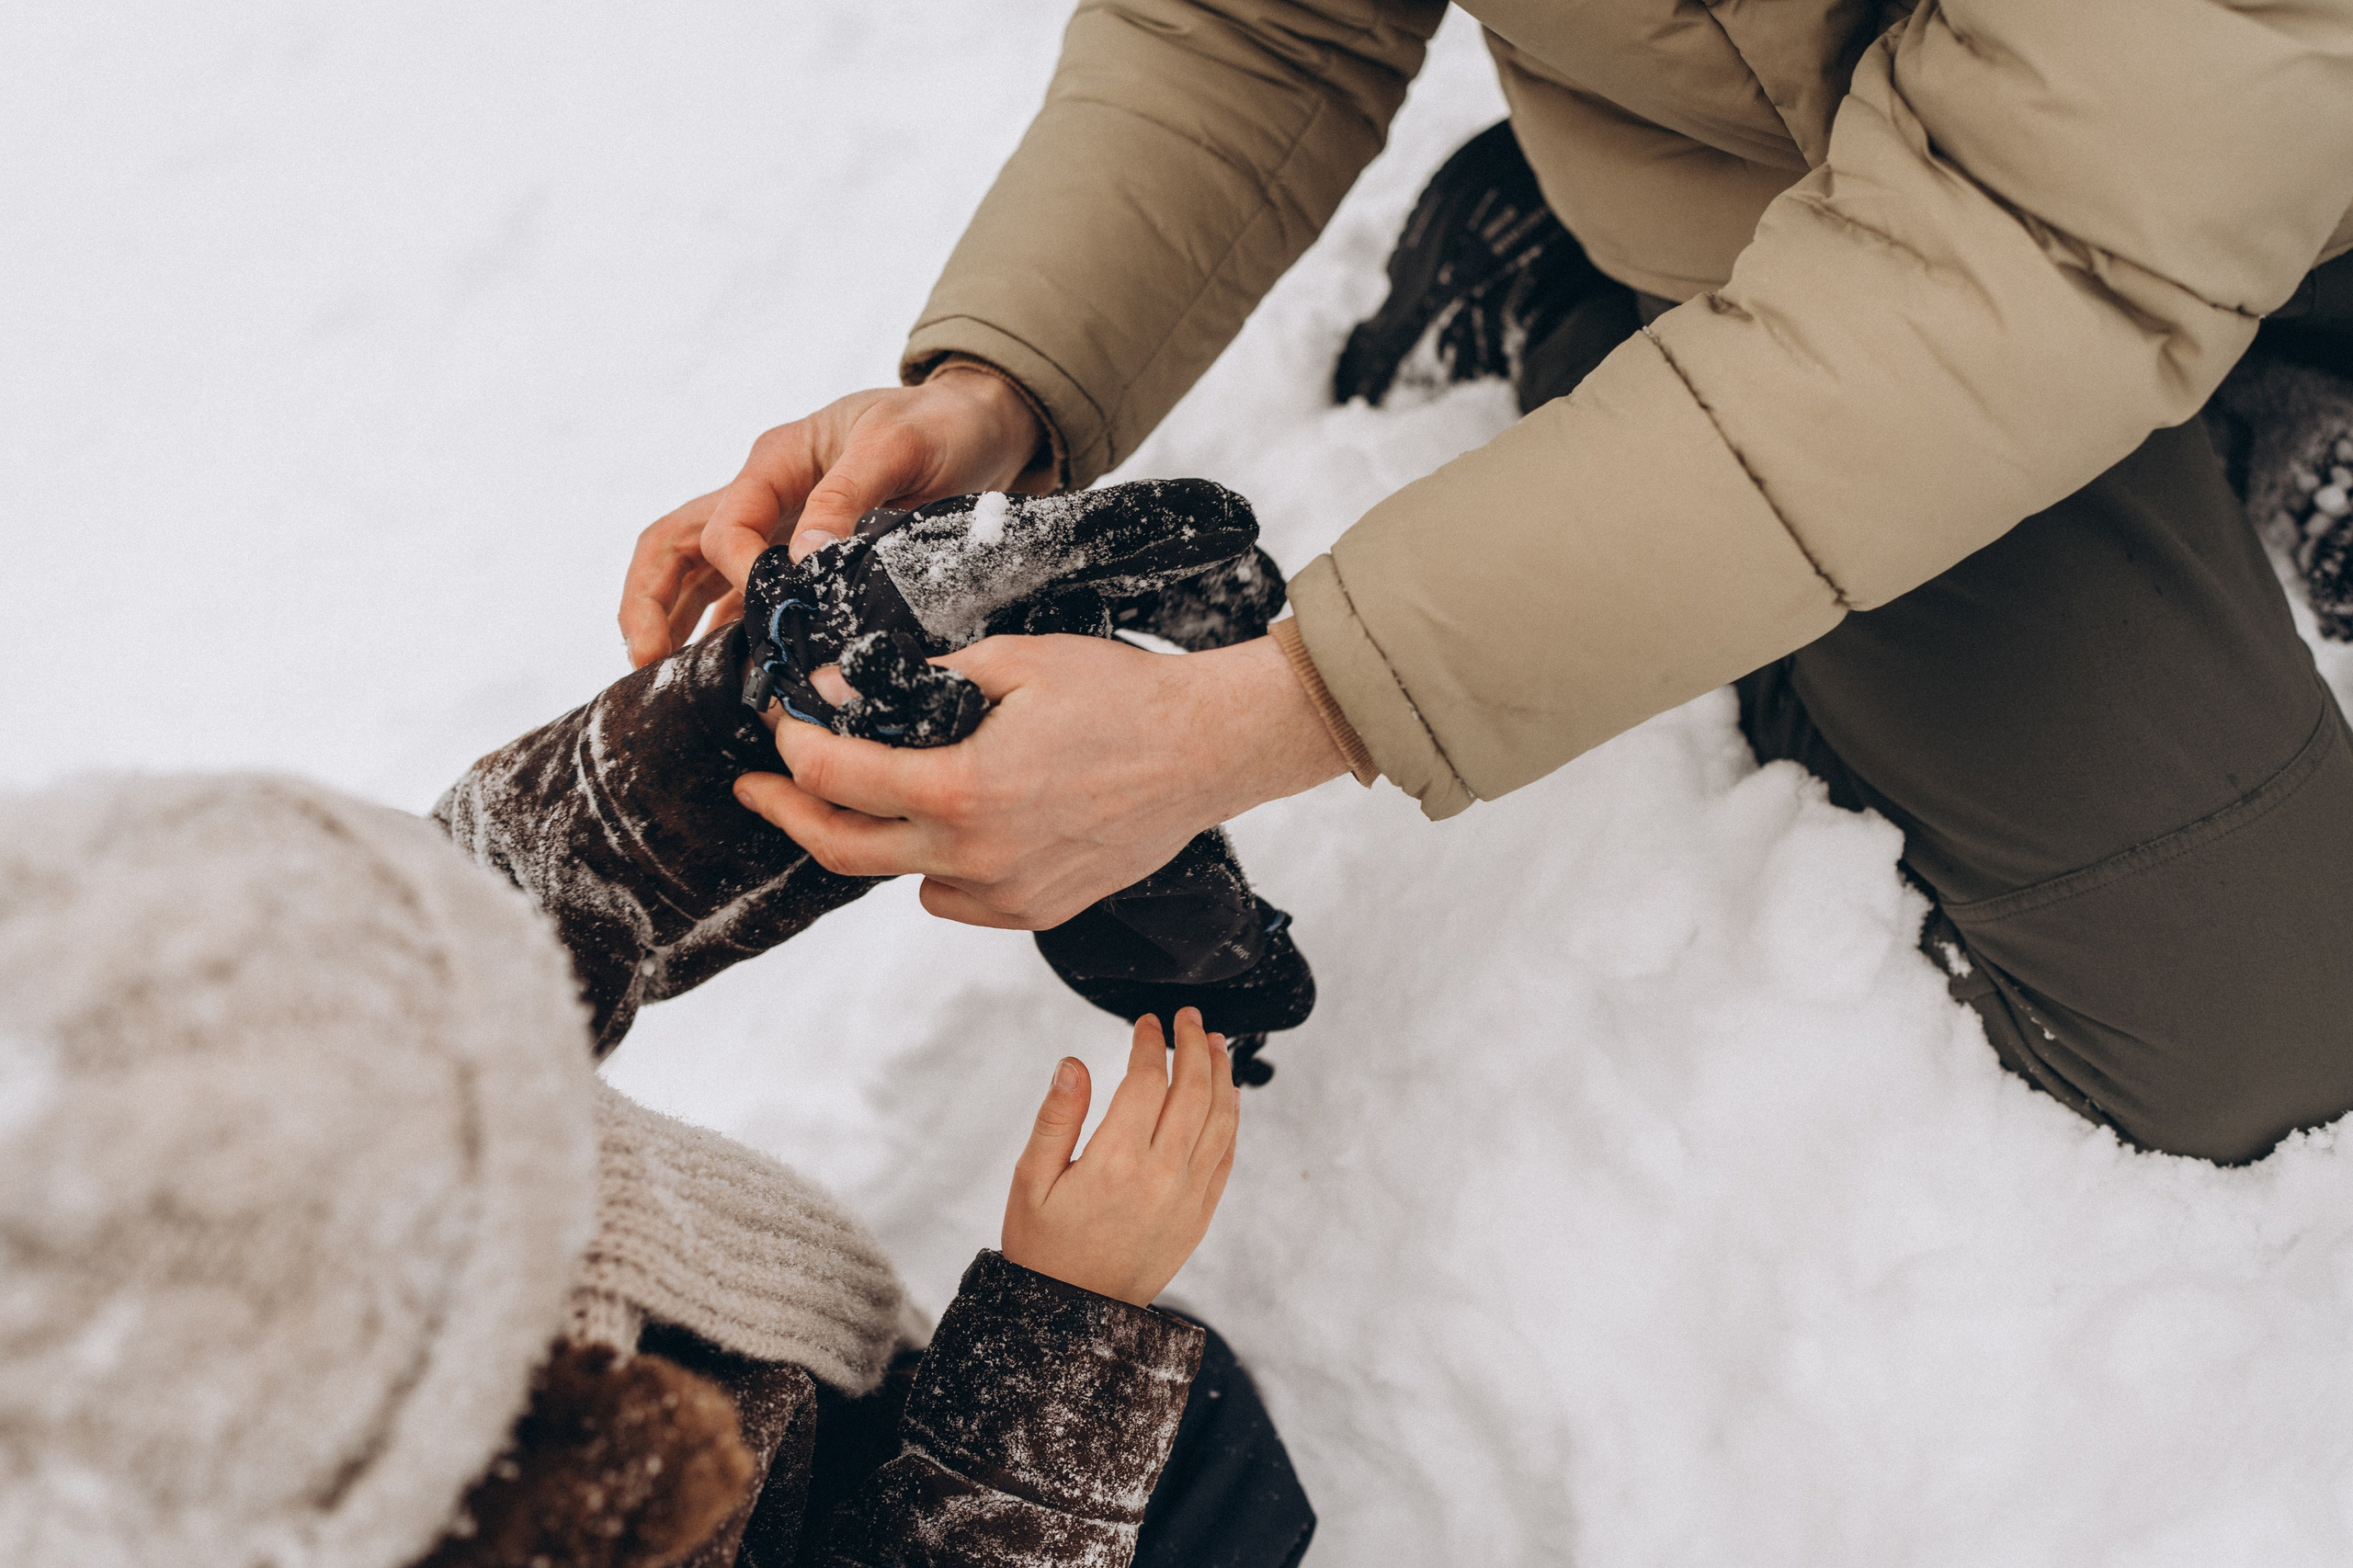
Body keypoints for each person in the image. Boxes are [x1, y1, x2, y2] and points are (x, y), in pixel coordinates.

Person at [617, 0, 2353, 1165]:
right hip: (1817, 253)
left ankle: (2249, 363)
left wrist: (1266, 713)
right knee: (2251, 1016)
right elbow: (1260, 19)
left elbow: (2040, 226)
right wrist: (1002, 379)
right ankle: (1583, 309)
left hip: (2097, 196)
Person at [0, 772, 1312, 1562]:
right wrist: (1060, 1338)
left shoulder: (126, 1062)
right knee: (1193, 1451)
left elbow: (423, 960)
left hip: (810, 1411)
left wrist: (694, 752)